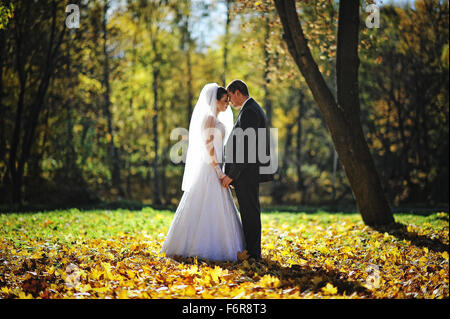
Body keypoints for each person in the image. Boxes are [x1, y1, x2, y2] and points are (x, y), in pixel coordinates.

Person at [161, 83, 245, 262]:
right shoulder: (208, 119)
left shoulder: (217, 120)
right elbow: (208, 146)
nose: (227, 104)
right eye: (224, 100)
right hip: (210, 169)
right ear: (214, 101)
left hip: (217, 168)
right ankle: (196, 246)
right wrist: (217, 170)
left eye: (228, 101)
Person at [222, 79, 274, 260]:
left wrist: (231, 175)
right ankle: (252, 250)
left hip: (247, 173)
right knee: (249, 210)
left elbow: (247, 148)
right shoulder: (250, 109)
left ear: (237, 92)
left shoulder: (250, 111)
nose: (229, 101)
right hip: (246, 173)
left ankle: (253, 253)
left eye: (229, 96)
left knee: (250, 211)